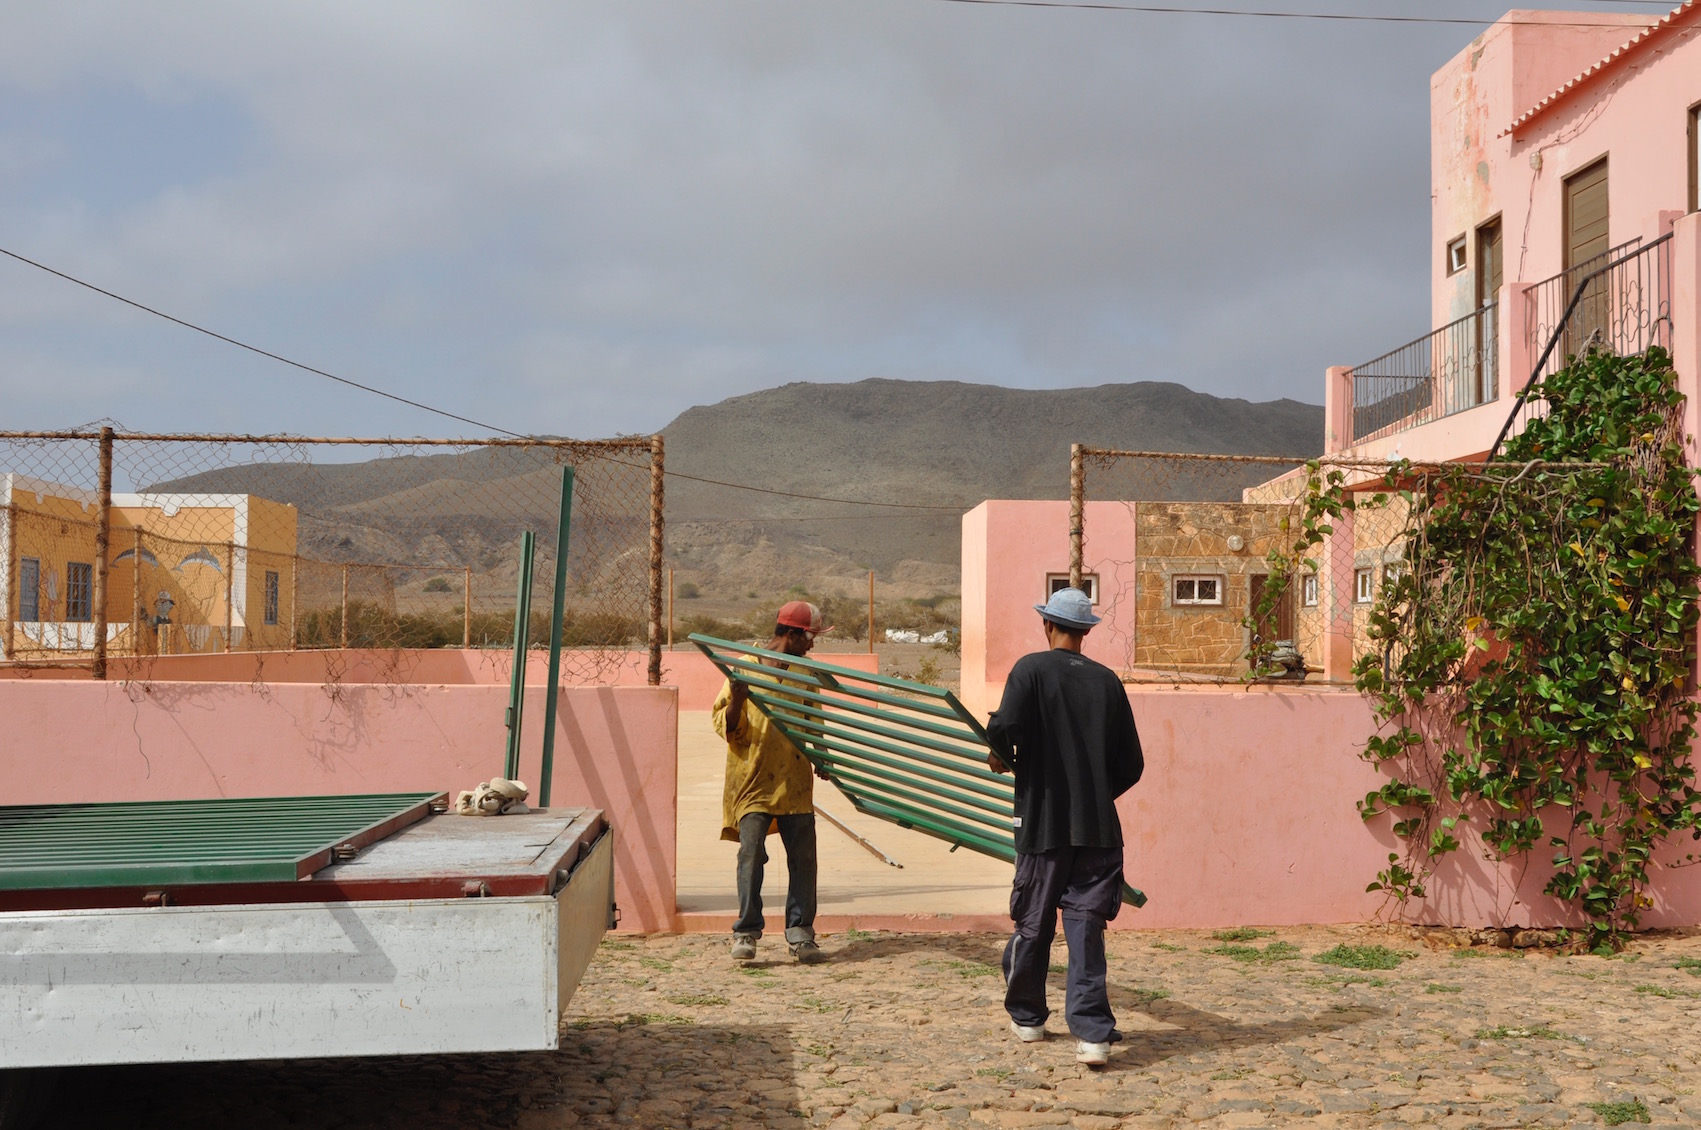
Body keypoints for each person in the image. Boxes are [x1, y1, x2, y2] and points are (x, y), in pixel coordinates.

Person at [986, 586, 1144, 1067]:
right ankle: (1093, 1034)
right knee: (1086, 929)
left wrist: (1001, 752)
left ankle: (1029, 1017)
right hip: (1098, 831)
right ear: (1085, 633)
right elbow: (1131, 764)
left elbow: (1004, 726)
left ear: (1047, 626)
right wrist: (1093, 793)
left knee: (1033, 923)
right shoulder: (1108, 683)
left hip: (1043, 825)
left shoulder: (1031, 669)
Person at [712, 599, 833, 965]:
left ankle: (801, 935)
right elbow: (724, 724)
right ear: (791, 634)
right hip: (752, 781)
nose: (812, 644)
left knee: (803, 859)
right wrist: (736, 700)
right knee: (751, 855)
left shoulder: (806, 673)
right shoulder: (743, 669)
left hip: (794, 780)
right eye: (810, 636)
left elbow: (815, 721)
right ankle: (746, 932)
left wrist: (822, 757)